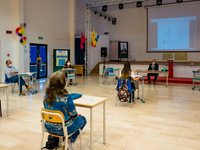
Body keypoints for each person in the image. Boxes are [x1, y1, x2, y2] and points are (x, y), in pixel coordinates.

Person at [43, 71, 86, 150]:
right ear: (63, 83)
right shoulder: (67, 97)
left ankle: (63, 141)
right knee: (83, 119)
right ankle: (68, 140)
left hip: (48, 127)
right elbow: (73, 115)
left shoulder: (46, 96)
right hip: (62, 129)